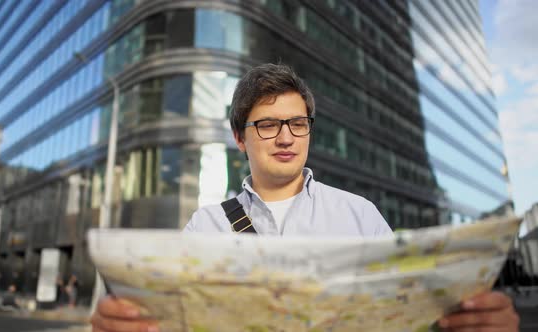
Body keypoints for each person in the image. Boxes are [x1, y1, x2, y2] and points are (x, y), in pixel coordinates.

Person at [90, 64, 519, 331]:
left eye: (298, 123)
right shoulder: (206, 226)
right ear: (240, 137)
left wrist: (471, 323)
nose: (285, 137)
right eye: (267, 125)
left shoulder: (360, 215)